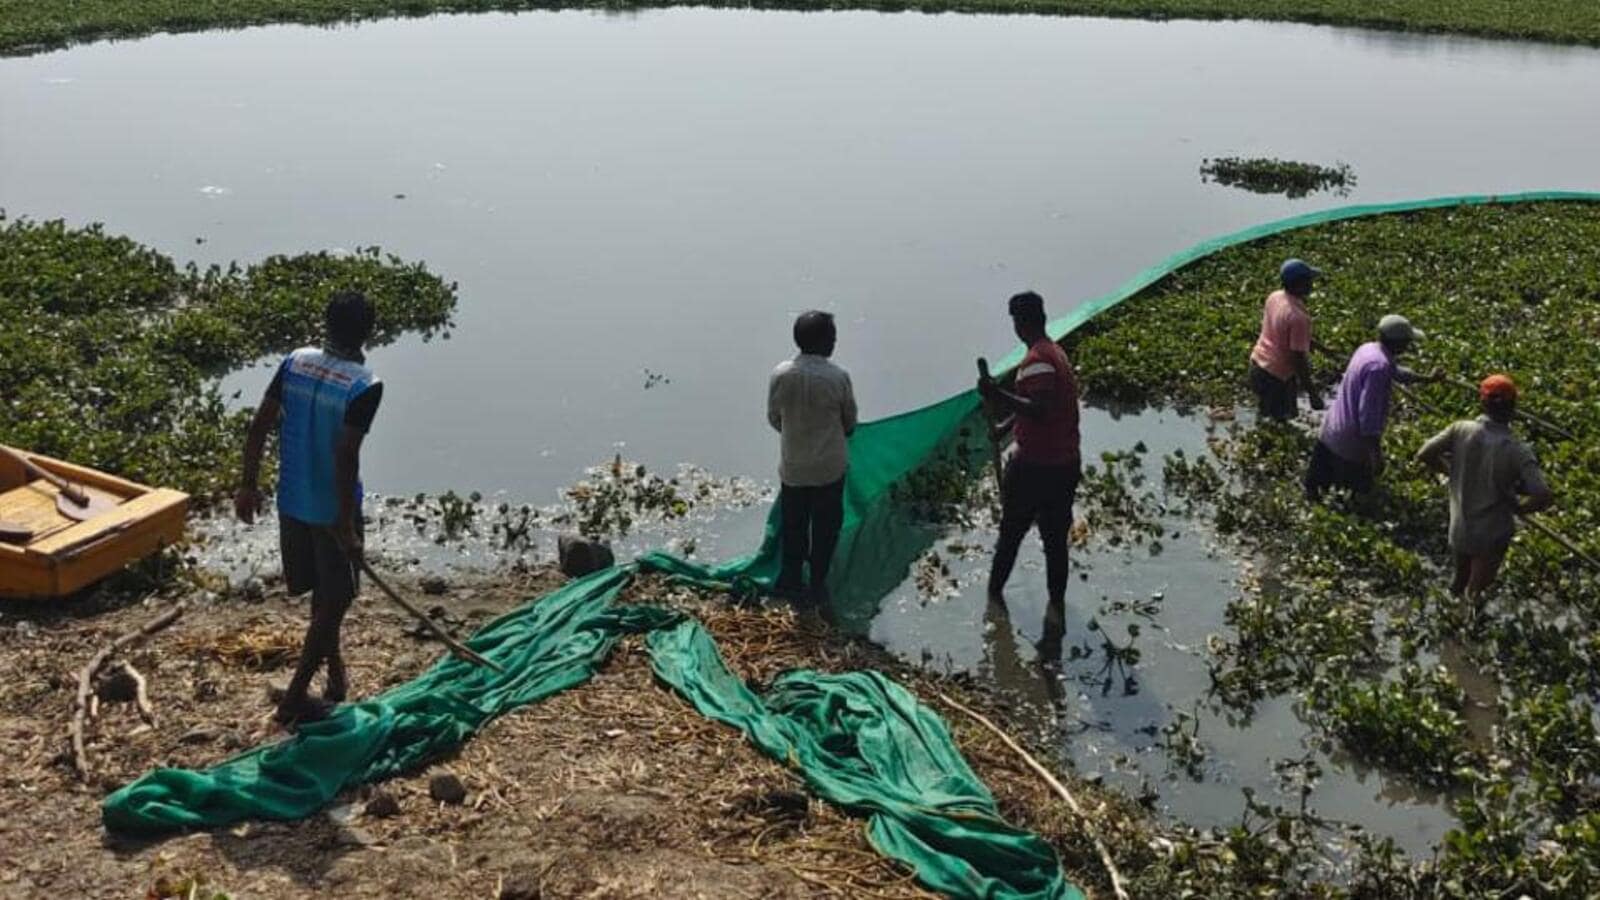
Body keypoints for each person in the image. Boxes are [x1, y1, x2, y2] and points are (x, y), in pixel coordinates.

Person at [235, 291, 384, 726]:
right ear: (367, 333)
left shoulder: (295, 362)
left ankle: (335, 676)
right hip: (329, 508)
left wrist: (248, 485)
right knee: (334, 600)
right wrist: (345, 525)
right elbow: (345, 457)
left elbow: (260, 424)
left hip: (292, 500)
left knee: (325, 596)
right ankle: (296, 698)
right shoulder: (364, 385)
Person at [978, 291, 1082, 613]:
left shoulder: (1037, 361)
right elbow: (1038, 407)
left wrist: (997, 395)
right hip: (1064, 462)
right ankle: (1056, 606)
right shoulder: (1054, 353)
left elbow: (1038, 409)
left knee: (1011, 534)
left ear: (1019, 323)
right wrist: (1004, 427)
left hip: (1038, 466)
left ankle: (994, 600)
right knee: (1055, 542)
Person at [1415, 374, 1552, 605]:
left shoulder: (1460, 429)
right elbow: (1543, 495)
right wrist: (1520, 510)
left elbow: (1424, 453)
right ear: (1513, 407)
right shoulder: (1518, 450)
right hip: (1491, 534)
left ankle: (1447, 619)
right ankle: (1465, 633)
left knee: (1459, 582)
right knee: (1475, 591)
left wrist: (1452, 473)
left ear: (1482, 403)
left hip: (1460, 527)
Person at [768, 310, 857, 613]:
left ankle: (792, 579)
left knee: (794, 526)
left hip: (793, 467)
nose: (835, 341)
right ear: (821, 342)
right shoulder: (838, 377)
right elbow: (850, 423)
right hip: (829, 470)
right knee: (825, 528)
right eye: (831, 337)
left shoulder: (781, 374)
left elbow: (774, 418)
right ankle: (818, 584)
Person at [1305, 314, 1438, 498]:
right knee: (1357, 505)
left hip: (1329, 434)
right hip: (1349, 446)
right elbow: (1368, 417)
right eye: (1407, 342)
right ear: (1398, 344)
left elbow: (1396, 372)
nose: (1409, 346)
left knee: (1316, 494)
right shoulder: (1379, 368)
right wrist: (1376, 456)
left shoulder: (1368, 349)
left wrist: (1427, 379)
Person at [1248, 258, 1325, 421]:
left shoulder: (1275, 297)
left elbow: (1283, 334)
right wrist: (1313, 394)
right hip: (1276, 377)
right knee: (1280, 422)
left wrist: (1323, 349)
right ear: (1300, 285)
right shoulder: (1298, 318)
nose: (1312, 284)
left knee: (1266, 417)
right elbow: (1298, 359)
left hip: (1257, 366)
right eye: (1309, 281)